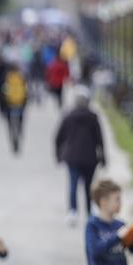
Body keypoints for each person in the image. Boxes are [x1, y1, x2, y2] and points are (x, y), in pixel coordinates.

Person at [54, 86, 104, 226]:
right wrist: (103, 157)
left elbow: (58, 137)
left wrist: (58, 155)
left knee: (73, 185)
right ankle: (89, 213)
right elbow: (99, 139)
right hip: (89, 157)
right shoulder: (93, 117)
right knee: (88, 186)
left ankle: (73, 211)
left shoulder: (68, 116)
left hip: (72, 157)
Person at [1, 63, 29, 155]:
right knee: (20, 122)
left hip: (10, 103)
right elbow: (26, 90)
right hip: (20, 103)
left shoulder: (7, 78)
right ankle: (19, 135)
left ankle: (12, 137)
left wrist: (4, 102)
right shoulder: (22, 77)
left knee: (10, 123)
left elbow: (4, 90)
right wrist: (25, 101)